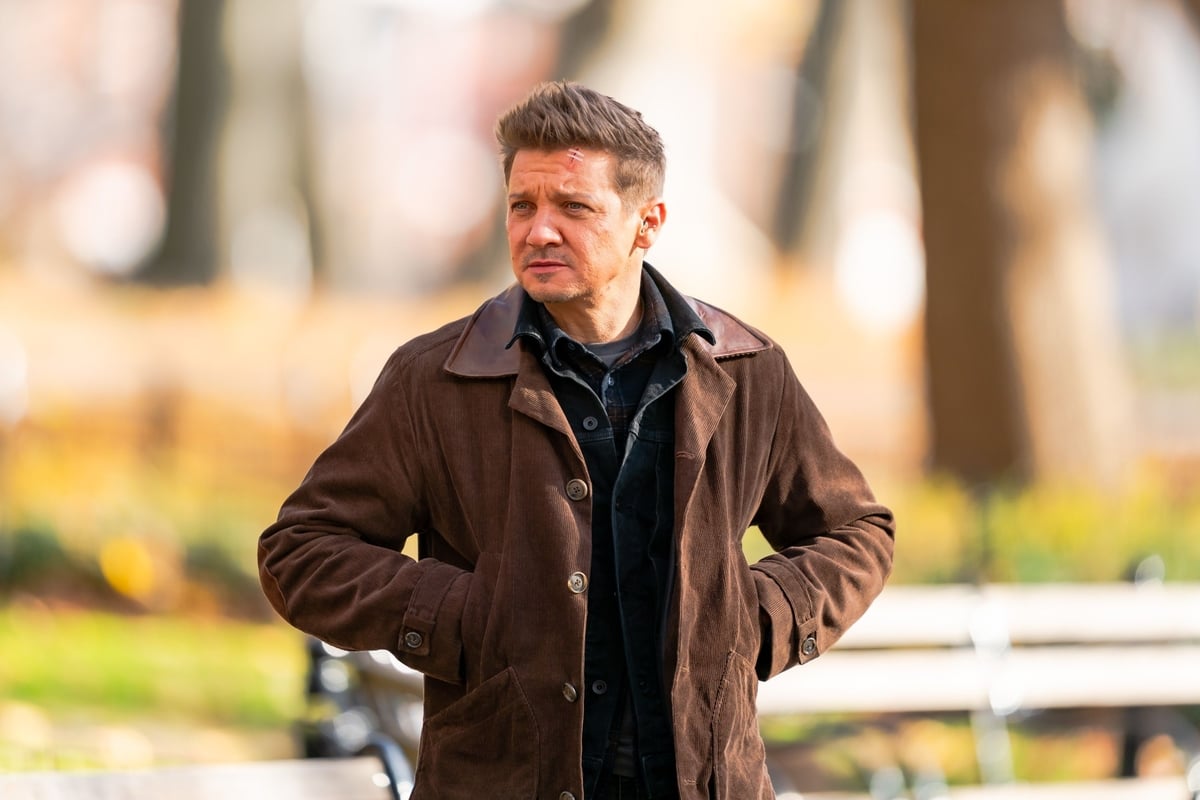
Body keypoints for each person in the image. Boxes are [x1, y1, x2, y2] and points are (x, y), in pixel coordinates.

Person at [259, 80, 894, 800]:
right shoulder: (435, 379)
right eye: (521, 206)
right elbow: (301, 551)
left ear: (646, 223)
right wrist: (462, 616)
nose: (539, 231)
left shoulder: (746, 370)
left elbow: (856, 533)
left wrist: (756, 620)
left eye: (574, 207)